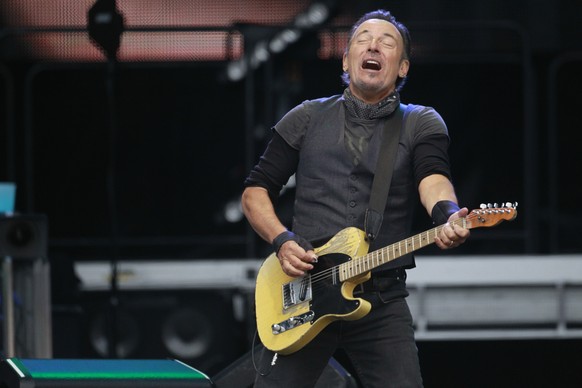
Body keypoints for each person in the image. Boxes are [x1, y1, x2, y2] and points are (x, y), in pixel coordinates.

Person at [241, 9, 470, 387]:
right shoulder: (307, 117)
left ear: (403, 68)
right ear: (347, 60)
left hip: (381, 299)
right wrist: (281, 241)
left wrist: (446, 215)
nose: (374, 45)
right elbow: (255, 191)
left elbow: (433, 178)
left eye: (387, 41)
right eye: (363, 39)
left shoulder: (421, 121)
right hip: (305, 293)